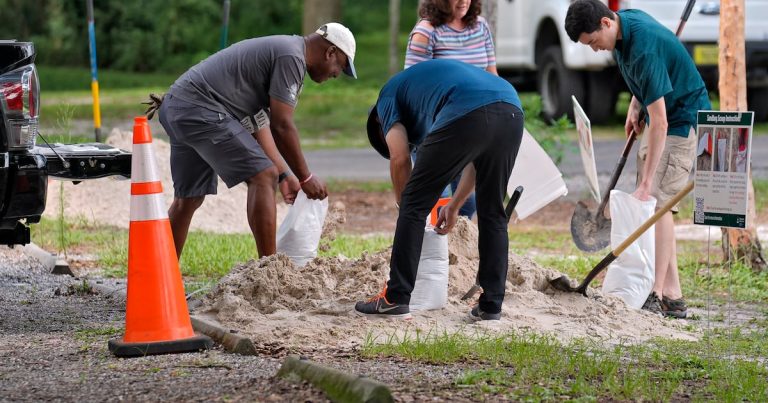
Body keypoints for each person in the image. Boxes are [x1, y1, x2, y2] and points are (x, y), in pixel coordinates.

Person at [156, 23, 356, 259]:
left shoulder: (284, 50)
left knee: (188, 199)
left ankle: (158, 278)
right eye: (339, 67)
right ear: (330, 52)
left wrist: (285, 175)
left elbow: (258, 124)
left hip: (179, 106)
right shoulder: (292, 57)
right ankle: (269, 270)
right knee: (263, 175)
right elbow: (282, 125)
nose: (335, 74)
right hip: (199, 108)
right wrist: (306, 177)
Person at [566, 0, 711, 319]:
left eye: (592, 42)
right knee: (653, 206)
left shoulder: (642, 46)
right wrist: (635, 105)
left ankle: (655, 293)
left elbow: (660, 122)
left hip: (680, 120)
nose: (594, 50)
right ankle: (673, 295)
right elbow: (648, 79)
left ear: (605, 23)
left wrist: (646, 181)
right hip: (660, 114)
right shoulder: (623, 26)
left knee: (658, 204)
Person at [355, 59, 524, 320]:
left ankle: (395, 298)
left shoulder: (386, 99)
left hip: (468, 109)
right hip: (511, 108)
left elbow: (399, 158)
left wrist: (407, 209)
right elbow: (475, 164)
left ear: (379, 124)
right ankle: (491, 306)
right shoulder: (424, 94)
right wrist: (455, 205)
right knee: (492, 211)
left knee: (413, 203)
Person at [404, 0, 498, 219]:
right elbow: (412, 90)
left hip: (471, 133)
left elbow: (493, 77)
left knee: (468, 203)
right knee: (438, 201)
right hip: (435, 133)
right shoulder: (425, 33)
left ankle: (455, 251)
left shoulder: (481, 27)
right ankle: (433, 252)